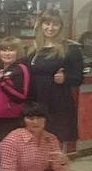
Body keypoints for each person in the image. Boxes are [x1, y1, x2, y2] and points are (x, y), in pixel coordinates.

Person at [26, 9, 83, 144]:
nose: (50, 28)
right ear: (41, 24)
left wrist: (65, 78)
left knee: (57, 142)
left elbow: (79, 78)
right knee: (37, 142)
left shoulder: (71, 48)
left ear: (61, 27)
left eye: (55, 24)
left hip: (59, 103)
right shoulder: (34, 49)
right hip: (37, 102)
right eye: (47, 23)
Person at [0, 36, 30, 140]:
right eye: (4, 50)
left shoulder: (21, 69)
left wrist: (0, 81)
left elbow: (21, 97)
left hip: (10, 120)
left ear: (18, 52)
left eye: (11, 50)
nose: (7, 53)